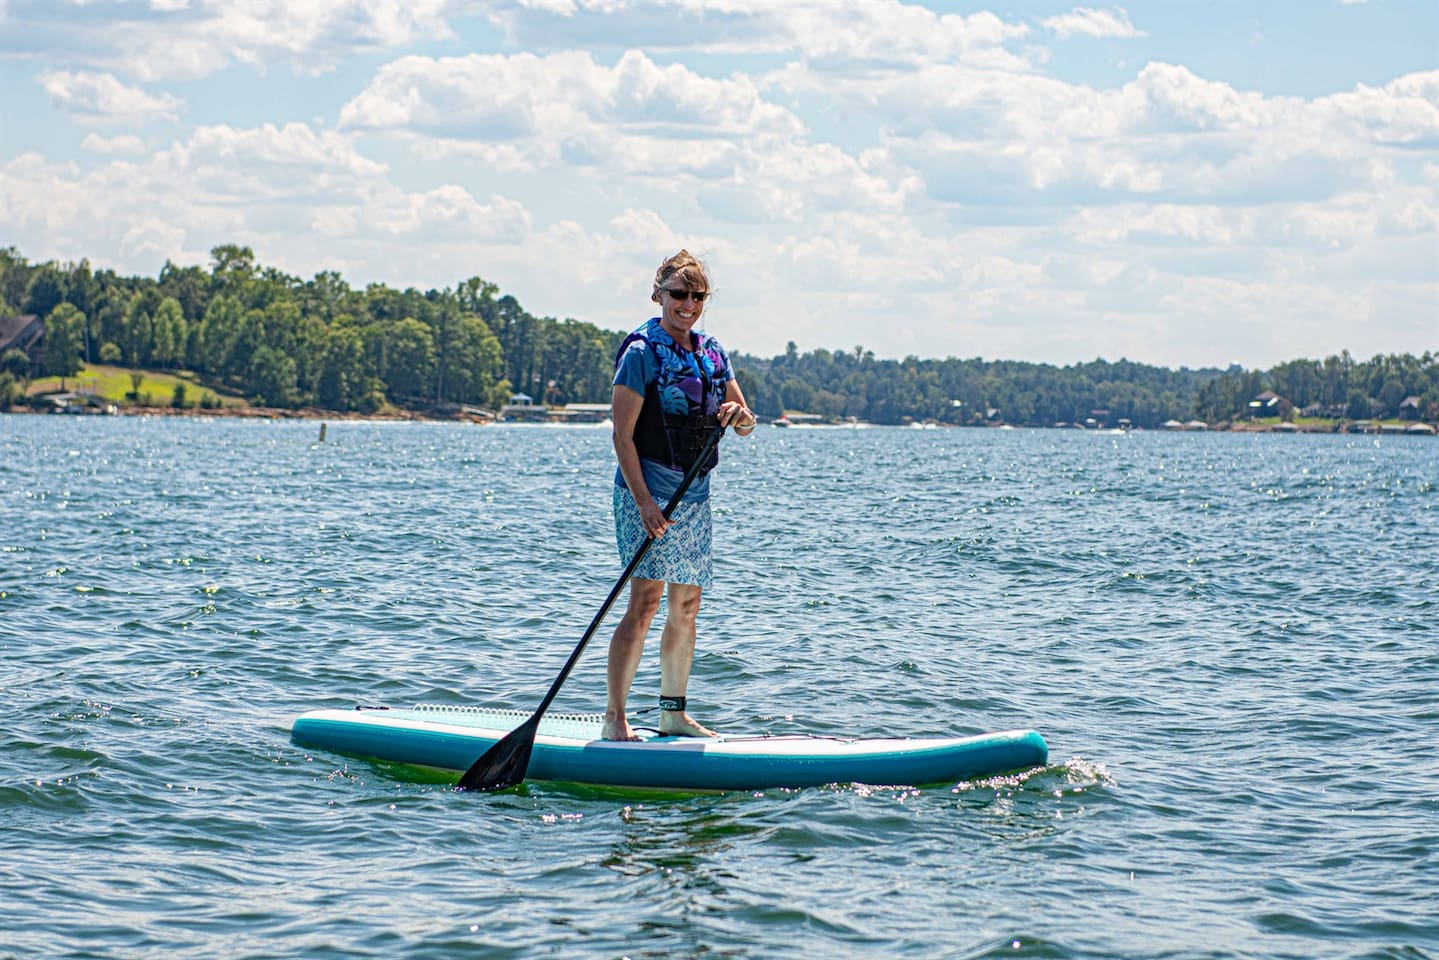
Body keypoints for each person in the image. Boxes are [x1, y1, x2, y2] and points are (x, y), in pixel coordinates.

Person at [602, 250, 757, 741]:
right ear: (659, 295)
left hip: (694, 499)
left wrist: (738, 416)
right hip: (644, 495)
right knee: (645, 603)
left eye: (697, 296)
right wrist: (645, 504)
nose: (688, 304)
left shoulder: (712, 352)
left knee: (687, 605)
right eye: (678, 294)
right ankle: (615, 719)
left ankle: (672, 714)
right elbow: (622, 436)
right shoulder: (641, 352)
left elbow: (747, 423)